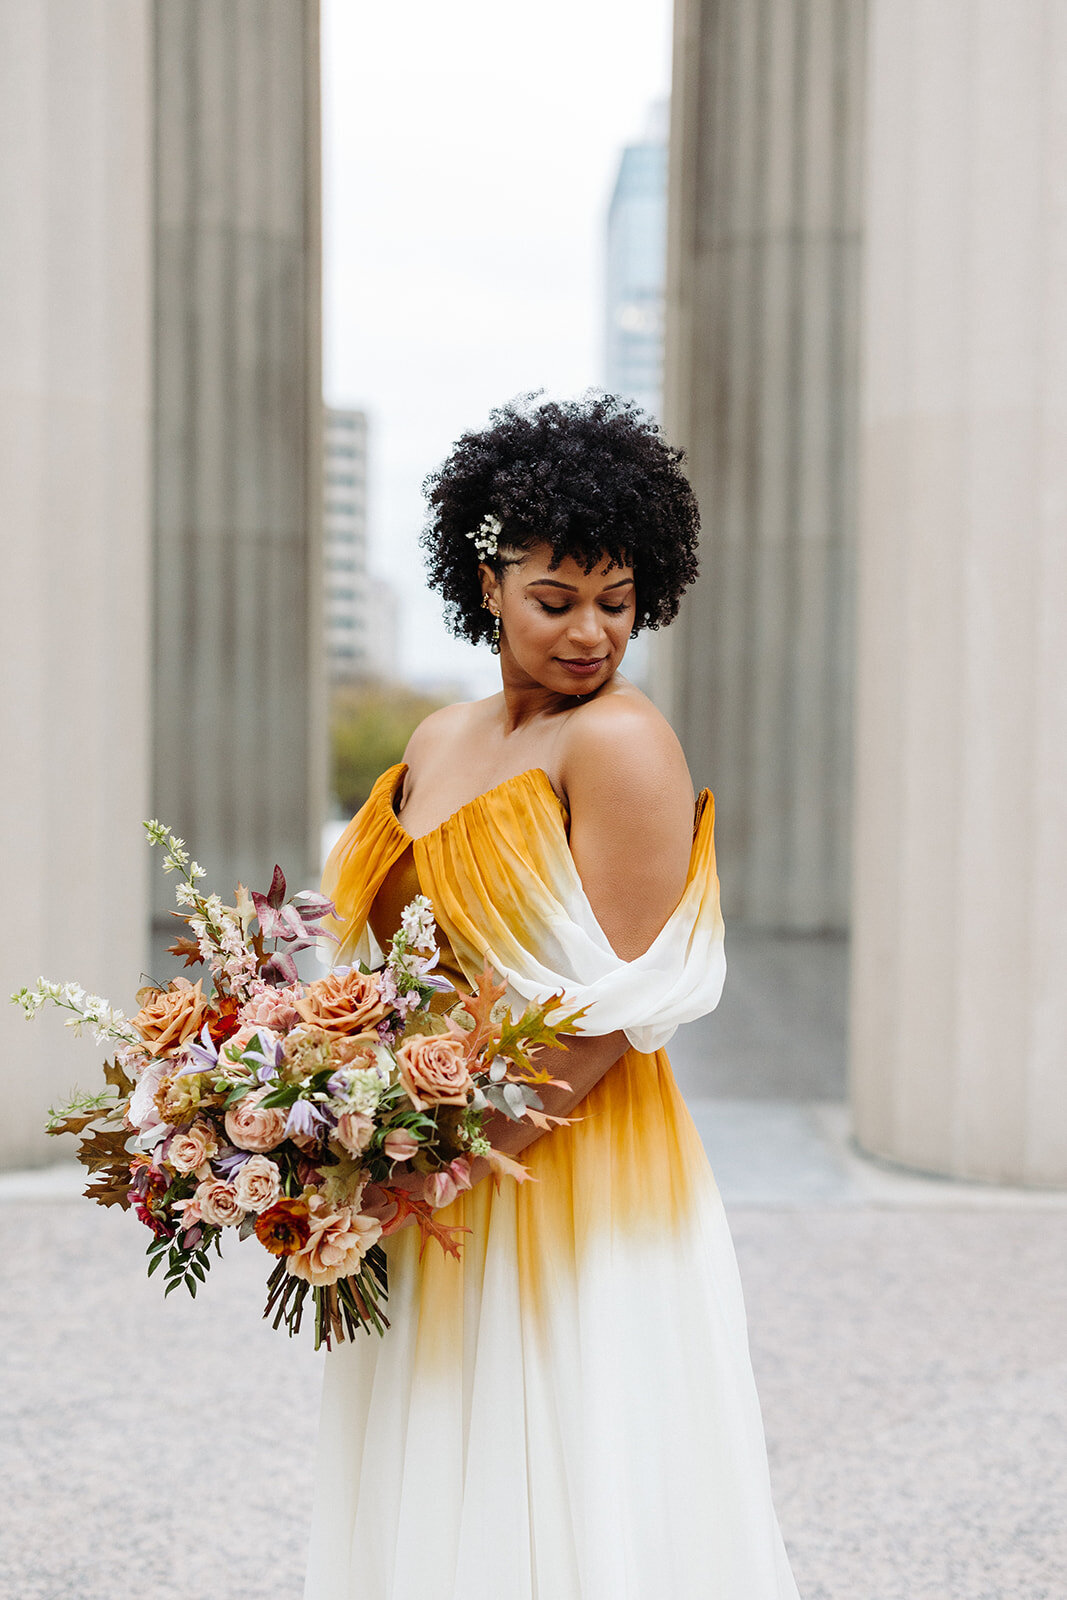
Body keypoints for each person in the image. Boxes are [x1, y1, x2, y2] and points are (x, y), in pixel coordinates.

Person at [304, 394, 801, 1600]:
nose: (590, 632)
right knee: (440, 1470)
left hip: (559, 1167)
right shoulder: (435, 736)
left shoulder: (621, 743)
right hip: (421, 1154)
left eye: (617, 602)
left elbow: (609, 1018)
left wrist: (441, 1162)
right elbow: (377, 964)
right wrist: (324, 1113)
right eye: (555, 598)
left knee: (574, 1473)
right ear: (486, 582)